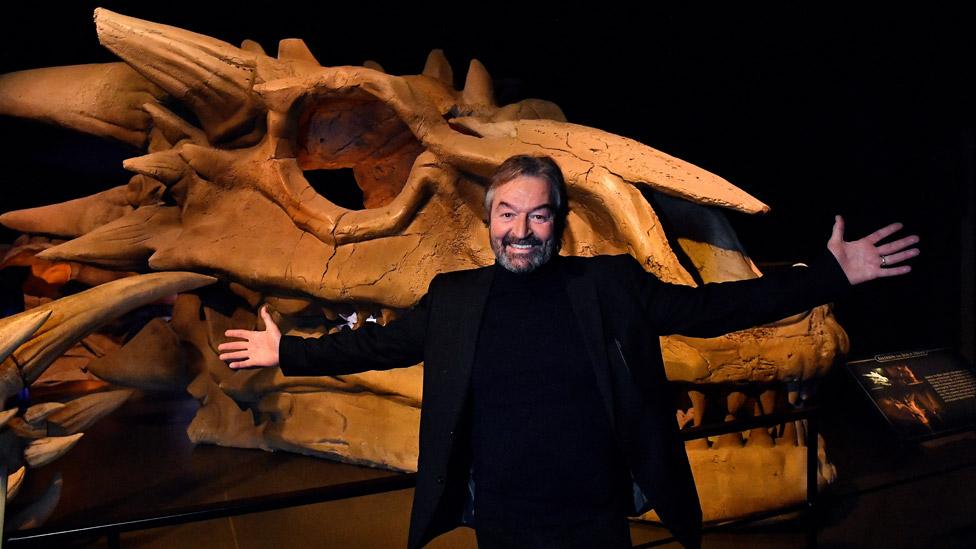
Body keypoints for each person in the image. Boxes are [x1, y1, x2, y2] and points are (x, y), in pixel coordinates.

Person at [218, 155, 919, 548]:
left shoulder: (607, 284)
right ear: (490, 222)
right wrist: (290, 353)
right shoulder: (456, 296)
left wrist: (827, 277)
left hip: (594, 524)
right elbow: (378, 342)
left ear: (559, 221)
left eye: (538, 212)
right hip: (502, 523)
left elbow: (710, 311)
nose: (521, 229)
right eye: (507, 213)